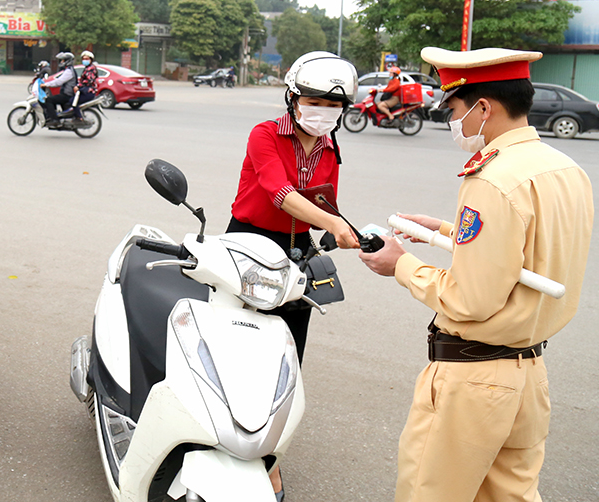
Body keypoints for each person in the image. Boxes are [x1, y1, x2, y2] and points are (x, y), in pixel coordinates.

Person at [358, 47, 593, 502]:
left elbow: (471, 299)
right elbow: (529, 254)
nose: (451, 121)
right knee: (512, 495)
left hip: (474, 381)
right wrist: (444, 231)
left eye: (454, 109)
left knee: (430, 494)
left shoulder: (491, 178)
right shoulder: (565, 169)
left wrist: (400, 265)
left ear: (483, 108)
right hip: (530, 373)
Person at [228, 51, 361, 501]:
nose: (322, 111)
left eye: (333, 105)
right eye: (314, 100)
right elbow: (278, 191)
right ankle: (219, 432)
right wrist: (335, 224)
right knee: (234, 343)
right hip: (247, 242)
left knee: (287, 356)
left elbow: (325, 205)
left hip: (297, 252)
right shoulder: (264, 134)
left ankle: (268, 456)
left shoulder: (331, 149)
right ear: (292, 97)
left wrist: (350, 230)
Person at [41, 52, 77, 126]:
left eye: (63, 60)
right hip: (66, 93)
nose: (61, 62)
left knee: (48, 100)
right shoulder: (68, 70)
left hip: (67, 95)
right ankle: (54, 116)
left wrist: (46, 84)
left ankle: (55, 120)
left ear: (67, 61)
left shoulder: (69, 71)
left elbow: (59, 81)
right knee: (52, 99)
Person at [73, 50, 99, 120]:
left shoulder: (91, 69)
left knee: (73, 101)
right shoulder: (87, 68)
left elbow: (89, 80)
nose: (85, 60)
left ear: (91, 60)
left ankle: (79, 117)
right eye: (83, 59)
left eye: (87, 59)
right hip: (86, 90)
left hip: (88, 91)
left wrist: (78, 86)